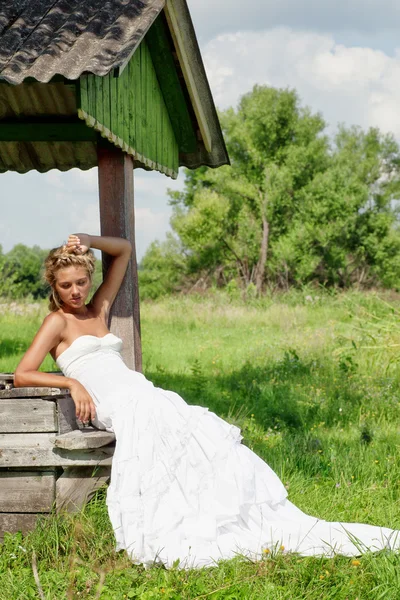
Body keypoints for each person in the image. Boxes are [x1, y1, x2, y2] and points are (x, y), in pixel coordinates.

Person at [15, 233, 400, 569]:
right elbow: (22, 373)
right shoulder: (57, 322)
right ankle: (189, 523)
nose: (76, 291)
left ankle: (223, 516)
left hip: (142, 392)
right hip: (118, 405)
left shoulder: (99, 308)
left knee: (202, 438)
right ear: (54, 286)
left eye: (82, 281)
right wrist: (71, 382)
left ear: (89, 279)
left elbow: (125, 250)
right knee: (171, 432)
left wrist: (88, 238)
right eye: (66, 286)